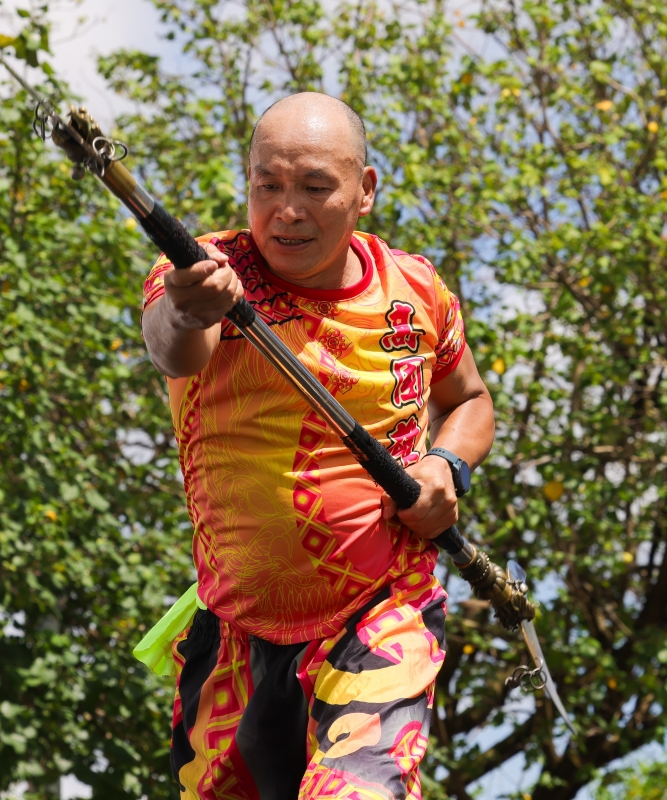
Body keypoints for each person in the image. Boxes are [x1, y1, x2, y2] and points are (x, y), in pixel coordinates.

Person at [141, 91, 495, 800]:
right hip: (235, 630)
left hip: (380, 608)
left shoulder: (417, 291)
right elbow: (174, 350)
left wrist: (444, 464)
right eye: (266, 186)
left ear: (364, 190)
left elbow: (469, 401)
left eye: (313, 187)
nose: (286, 210)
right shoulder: (207, 271)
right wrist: (188, 305)